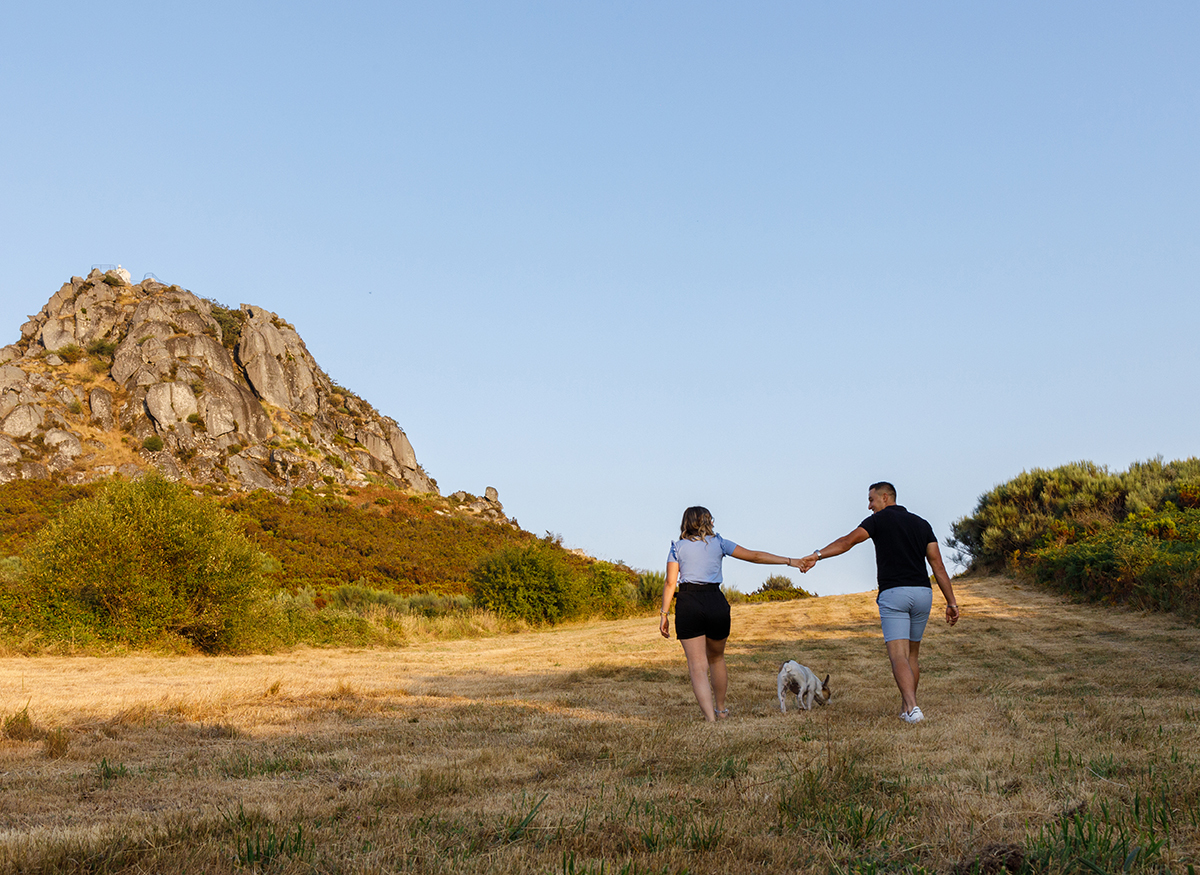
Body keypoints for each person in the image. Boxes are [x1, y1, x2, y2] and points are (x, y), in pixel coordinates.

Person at [798, 482, 959, 724]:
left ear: (885, 498)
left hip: (894, 594)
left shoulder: (879, 520)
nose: (869, 505)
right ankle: (907, 708)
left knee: (898, 657)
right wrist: (952, 602)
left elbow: (847, 541)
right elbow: (938, 566)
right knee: (912, 656)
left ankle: (913, 709)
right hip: (923, 594)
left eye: (872, 500)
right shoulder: (922, 524)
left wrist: (817, 555)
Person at [660, 506, 801, 722]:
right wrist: (790, 561)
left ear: (686, 523)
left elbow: (671, 582)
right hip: (715, 601)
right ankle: (722, 710)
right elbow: (754, 556)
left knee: (697, 666)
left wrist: (664, 614)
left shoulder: (677, 547)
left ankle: (710, 718)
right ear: (708, 521)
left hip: (688, 602)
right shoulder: (720, 543)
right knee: (716, 658)